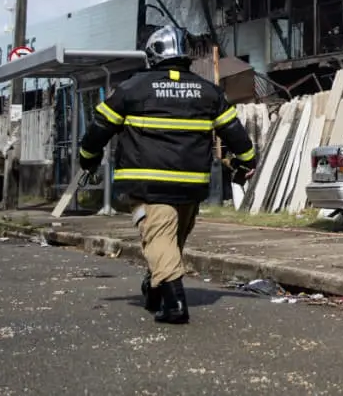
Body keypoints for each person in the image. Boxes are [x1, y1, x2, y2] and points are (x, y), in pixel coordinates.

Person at [76, 27, 256, 324]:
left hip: (148, 183)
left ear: (153, 55)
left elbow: (99, 128)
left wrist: (87, 158)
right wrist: (246, 161)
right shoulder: (207, 91)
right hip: (191, 185)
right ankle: (157, 289)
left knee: (159, 238)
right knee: (173, 240)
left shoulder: (133, 88)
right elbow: (235, 133)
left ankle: (175, 304)